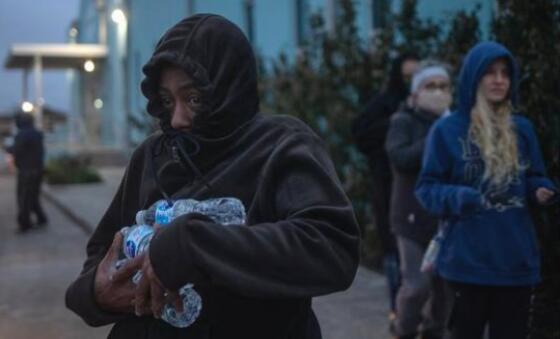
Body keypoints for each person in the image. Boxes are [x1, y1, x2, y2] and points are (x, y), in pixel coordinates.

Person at [65, 14, 360, 339]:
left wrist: (194, 246)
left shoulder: (280, 144)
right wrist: (94, 294)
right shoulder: (151, 155)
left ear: (229, 88)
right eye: (167, 100)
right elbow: (102, 253)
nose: (176, 119)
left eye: (193, 98)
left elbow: (330, 248)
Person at [415, 41, 558, 339]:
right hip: (467, 262)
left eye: (505, 73)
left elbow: (534, 177)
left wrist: (541, 190)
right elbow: (426, 189)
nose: (499, 80)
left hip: (516, 260)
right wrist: (461, 197)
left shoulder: (522, 129)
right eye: (489, 72)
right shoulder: (448, 130)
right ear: (473, 77)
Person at [385, 61, 452, 339]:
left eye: (443, 86)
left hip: (445, 217)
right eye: (430, 86)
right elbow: (401, 158)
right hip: (411, 218)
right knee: (417, 286)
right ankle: (403, 330)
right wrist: (436, 135)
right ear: (415, 93)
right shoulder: (403, 121)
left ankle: (433, 332)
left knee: (445, 287)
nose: (437, 92)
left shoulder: (454, 122)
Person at [352, 53, 419, 317]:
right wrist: (392, 124)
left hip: (421, 190)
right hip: (388, 186)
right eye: (406, 77)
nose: (411, 82)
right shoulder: (385, 105)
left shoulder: (427, 106)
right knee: (393, 247)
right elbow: (360, 133)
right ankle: (397, 308)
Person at [7, 112, 48, 233]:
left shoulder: (22, 134)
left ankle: (25, 224)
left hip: (26, 171)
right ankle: (41, 219)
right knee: (33, 197)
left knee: (24, 199)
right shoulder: (37, 133)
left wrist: (8, 148)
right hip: (38, 170)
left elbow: (17, 150)